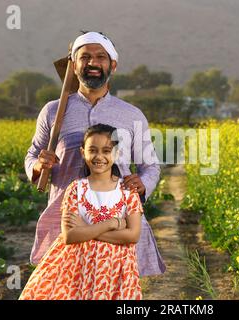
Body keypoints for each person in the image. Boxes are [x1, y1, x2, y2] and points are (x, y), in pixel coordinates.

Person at [25, 31, 165, 276]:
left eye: (101, 57)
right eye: (85, 57)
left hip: (117, 221)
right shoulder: (53, 111)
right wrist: (37, 165)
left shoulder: (131, 114)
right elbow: (33, 153)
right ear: (73, 64)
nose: (92, 63)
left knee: (113, 287)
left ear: (112, 65)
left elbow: (150, 165)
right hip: (67, 222)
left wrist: (143, 184)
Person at [20, 124, 142, 300]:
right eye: (92, 150)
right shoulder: (76, 189)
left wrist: (86, 230)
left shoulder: (127, 191)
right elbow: (69, 235)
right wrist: (111, 224)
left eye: (106, 150)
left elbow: (132, 235)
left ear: (117, 153)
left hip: (116, 270)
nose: (99, 156)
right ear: (82, 152)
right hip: (77, 269)